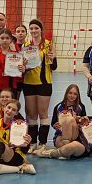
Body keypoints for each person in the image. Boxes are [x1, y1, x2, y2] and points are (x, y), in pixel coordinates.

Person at [22, 19, 57, 154]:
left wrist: (53, 58)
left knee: (42, 114)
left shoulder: (48, 44)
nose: (33, 31)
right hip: (28, 83)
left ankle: (42, 143)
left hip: (44, 83)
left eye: (36, 28)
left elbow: (54, 67)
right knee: (31, 114)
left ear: (41, 30)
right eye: (31, 28)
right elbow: (22, 66)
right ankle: (32, 143)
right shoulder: (25, 45)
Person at [43, 84, 87, 156]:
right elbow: (53, 122)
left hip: (76, 136)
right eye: (70, 93)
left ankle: (53, 153)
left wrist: (80, 120)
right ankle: (65, 151)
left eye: (75, 94)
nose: (72, 96)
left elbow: (84, 124)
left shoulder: (81, 107)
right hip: (61, 135)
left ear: (78, 96)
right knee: (67, 145)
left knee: (70, 120)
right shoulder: (58, 107)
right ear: (66, 93)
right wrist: (55, 125)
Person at [0, 28, 24, 101]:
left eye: (7, 38)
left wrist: (22, 69)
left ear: (11, 40)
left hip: (10, 87)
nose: (5, 40)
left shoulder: (17, 55)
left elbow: (20, 72)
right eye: (2, 38)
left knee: (10, 107)